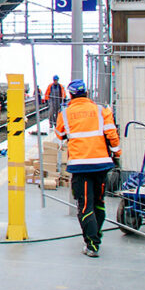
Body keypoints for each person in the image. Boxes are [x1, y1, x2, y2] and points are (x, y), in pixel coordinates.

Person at [55, 79, 121, 258]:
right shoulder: (101, 110)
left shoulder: (66, 114)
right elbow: (112, 135)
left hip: (80, 166)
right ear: (87, 93)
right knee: (99, 203)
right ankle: (95, 235)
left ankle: (92, 244)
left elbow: (60, 134)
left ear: (70, 94)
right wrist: (117, 152)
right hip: (101, 165)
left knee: (85, 206)